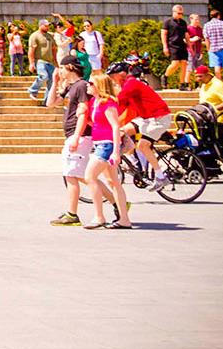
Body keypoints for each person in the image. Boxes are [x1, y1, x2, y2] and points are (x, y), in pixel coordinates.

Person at [72, 72, 130, 229]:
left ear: (99, 86)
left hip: (107, 145)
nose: (87, 85)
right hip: (99, 143)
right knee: (113, 182)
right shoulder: (95, 102)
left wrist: (116, 151)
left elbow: (115, 126)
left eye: (91, 83)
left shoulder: (108, 103)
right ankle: (124, 219)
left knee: (90, 177)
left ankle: (99, 216)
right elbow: (97, 123)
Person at [107, 62, 174, 192]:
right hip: (146, 118)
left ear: (121, 74)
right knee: (123, 131)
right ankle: (129, 158)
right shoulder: (125, 84)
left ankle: (160, 176)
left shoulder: (131, 84)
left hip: (158, 117)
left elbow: (120, 103)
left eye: (112, 76)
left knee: (143, 146)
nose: (111, 79)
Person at [50, 58, 93, 226]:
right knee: (82, 176)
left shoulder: (82, 86)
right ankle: (116, 202)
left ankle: (72, 213)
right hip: (72, 134)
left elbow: (84, 112)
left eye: (61, 67)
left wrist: (76, 136)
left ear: (70, 67)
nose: (59, 70)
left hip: (79, 135)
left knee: (71, 175)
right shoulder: (70, 87)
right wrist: (55, 82)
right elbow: (50, 103)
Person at [160, 4, 190, 90]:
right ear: (174, 12)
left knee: (184, 63)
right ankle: (165, 76)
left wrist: (190, 46)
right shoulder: (168, 22)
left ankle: (182, 84)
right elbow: (164, 34)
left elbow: (186, 35)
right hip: (172, 45)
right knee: (175, 64)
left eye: (182, 13)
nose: (180, 15)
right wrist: (165, 47)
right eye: (179, 13)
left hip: (182, 45)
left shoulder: (183, 22)